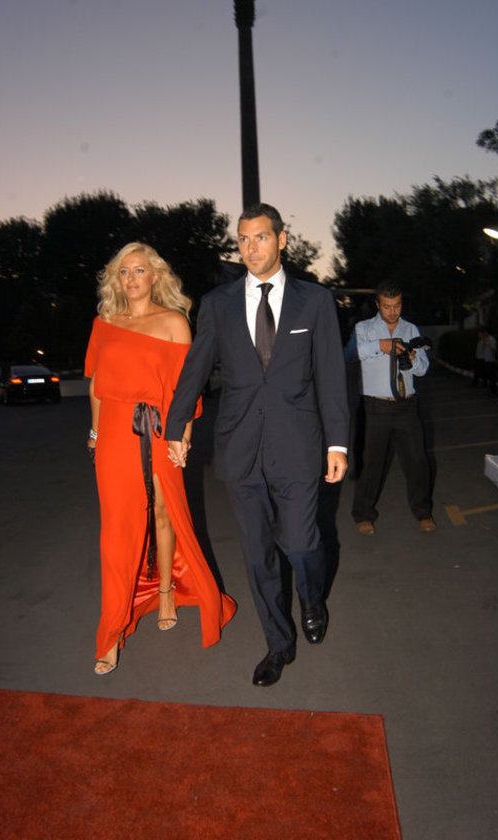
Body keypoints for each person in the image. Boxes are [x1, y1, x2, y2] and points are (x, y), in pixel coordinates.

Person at [165, 203, 349, 687]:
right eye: (243, 240)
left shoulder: (315, 301)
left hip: (298, 445)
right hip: (240, 447)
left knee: (302, 543)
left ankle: (312, 598)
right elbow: (196, 367)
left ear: (282, 240)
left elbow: (331, 376)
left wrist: (338, 443)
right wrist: (176, 423)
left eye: (261, 237)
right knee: (258, 553)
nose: (250, 248)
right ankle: (278, 644)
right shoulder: (218, 303)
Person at [85, 242, 236, 675]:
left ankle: (167, 591)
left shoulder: (174, 323)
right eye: (124, 271)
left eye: (139, 270)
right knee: (117, 531)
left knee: (166, 514)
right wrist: (95, 433)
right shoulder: (105, 322)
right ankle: (112, 631)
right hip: (114, 433)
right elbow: (96, 386)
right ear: (116, 279)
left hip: (159, 428)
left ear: (155, 276)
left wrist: (181, 436)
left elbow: (185, 388)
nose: (131, 278)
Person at [348, 282, 435, 535]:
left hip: (407, 406)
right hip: (375, 407)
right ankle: (363, 514)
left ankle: (423, 512)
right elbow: (352, 354)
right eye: (387, 306)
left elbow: (423, 369)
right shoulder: (363, 328)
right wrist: (381, 346)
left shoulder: (411, 329)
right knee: (371, 464)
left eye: (397, 306)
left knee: (418, 462)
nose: (393, 311)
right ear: (378, 305)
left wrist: (413, 359)